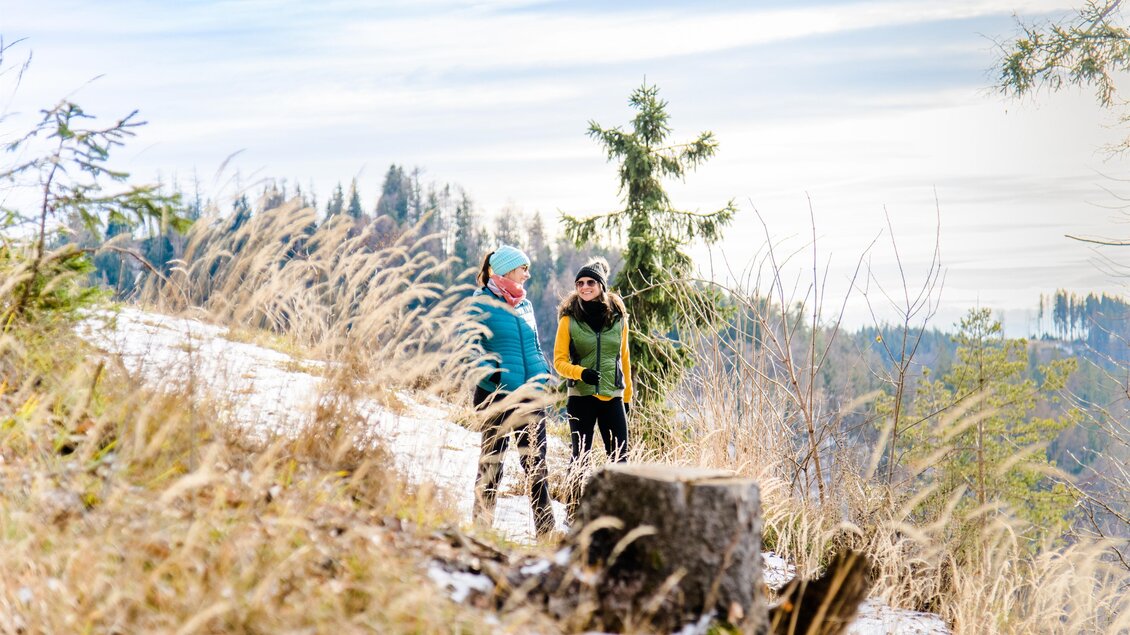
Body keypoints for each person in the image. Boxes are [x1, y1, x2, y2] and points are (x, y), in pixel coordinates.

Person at [469, 244, 555, 538]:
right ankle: (481, 531)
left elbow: (533, 345)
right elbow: (466, 343)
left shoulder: (526, 305)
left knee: (536, 468)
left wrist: (544, 373)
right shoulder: (482, 301)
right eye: (523, 269)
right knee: (492, 464)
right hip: (498, 394)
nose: (527, 275)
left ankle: (546, 535)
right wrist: (487, 370)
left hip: (531, 396)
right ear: (507, 270)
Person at [553, 257, 632, 521]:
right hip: (581, 397)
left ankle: (617, 514)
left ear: (601, 285)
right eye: (579, 283)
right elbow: (559, 361)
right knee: (580, 458)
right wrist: (580, 372)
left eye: (589, 282)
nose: (584, 287)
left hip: (612, 396)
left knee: (619, 459)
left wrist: (627, 397)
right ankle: (573, 514)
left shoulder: (618, 317)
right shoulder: (569, 319)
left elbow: (625, 358)